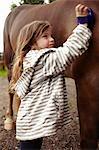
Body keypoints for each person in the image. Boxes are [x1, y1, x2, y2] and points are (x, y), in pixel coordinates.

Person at [9, 4, 94, 150]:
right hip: (32, 123)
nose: (52, 39)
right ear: (32, 43)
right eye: (45, 36)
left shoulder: (31, 59)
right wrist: (82, 24)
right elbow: (69, 50)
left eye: (51, 35)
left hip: (30, 122)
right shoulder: (43, 60)